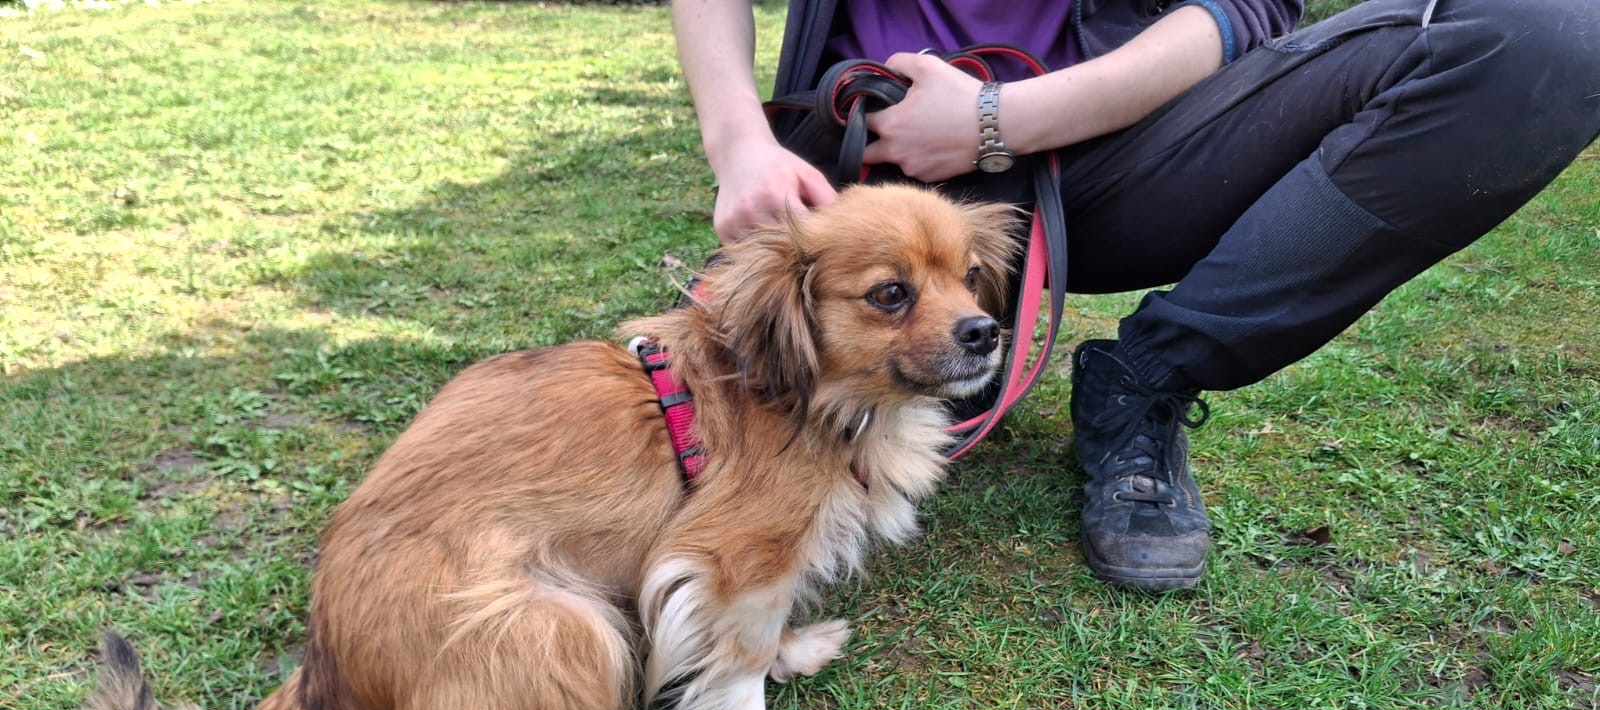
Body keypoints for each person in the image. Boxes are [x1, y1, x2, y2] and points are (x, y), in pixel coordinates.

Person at [670, 0, 1600, 591]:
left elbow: (1248, 4)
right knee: (755, 397)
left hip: (1125, 153)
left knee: (1550, 31)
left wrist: (999, 120)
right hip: (856, 158)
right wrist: (740, 142)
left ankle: (1148, 375)